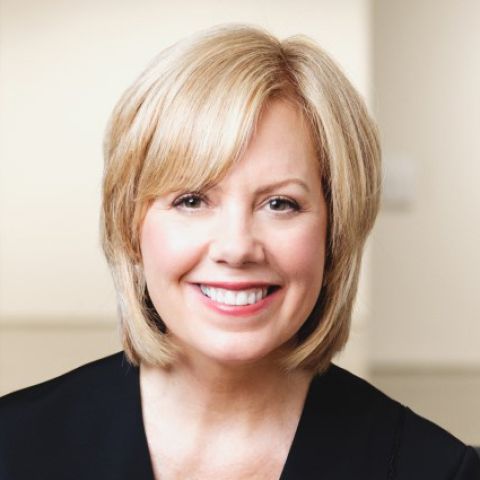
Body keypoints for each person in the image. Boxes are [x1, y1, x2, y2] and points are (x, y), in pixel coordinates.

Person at [0, 24, 479, 480]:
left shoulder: (436, 468)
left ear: (336, 232)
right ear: (130, 226)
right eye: (191, 200)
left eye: (280, 203)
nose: (236, 247)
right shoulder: (13, 445)